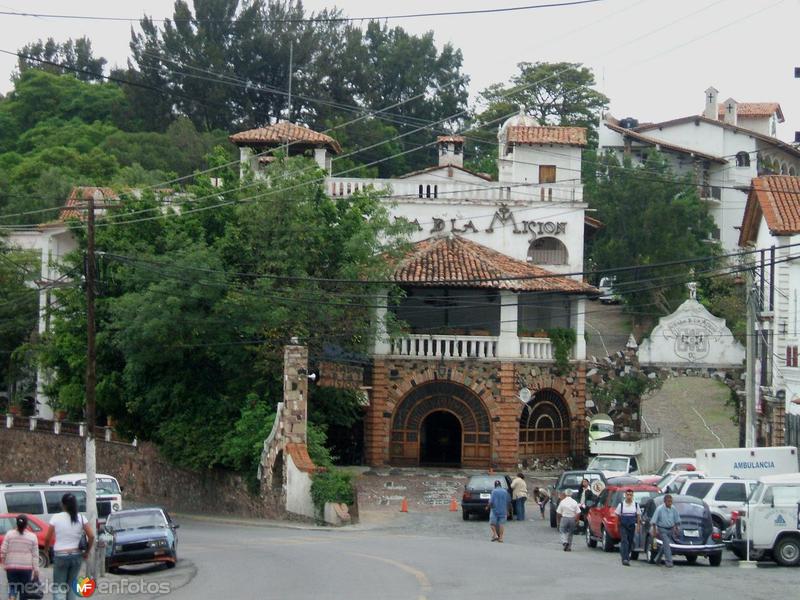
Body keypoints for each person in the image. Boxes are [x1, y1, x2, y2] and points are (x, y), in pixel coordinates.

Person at [44, 493, 94, 600]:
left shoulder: (56, 517)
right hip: (76, 555)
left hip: (60, 555)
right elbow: (92, 536)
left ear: (63, 504)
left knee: (59, 586)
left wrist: (46, 551)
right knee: (71, 585)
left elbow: (47, 538)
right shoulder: (81, 518)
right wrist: (87, 552)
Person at [0, 514, 38, 600]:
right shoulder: (33, 537)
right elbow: (35, 555)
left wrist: (4, 562)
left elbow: (3, 550)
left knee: (12, 587)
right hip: (26, 568)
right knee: (24, 591)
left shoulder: (9, 534)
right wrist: (36, 570)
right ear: (26, 524)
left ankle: (12, 597)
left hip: (11, 567)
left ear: (16, 523)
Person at [650, 494, 682, 568]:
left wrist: (676, 529)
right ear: (665, 501)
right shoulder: (659, 509)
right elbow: (654, 521)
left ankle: (657, 559)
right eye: (668, 501)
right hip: (662, 529)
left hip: (670, 529)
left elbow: (677, 519)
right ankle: (669, 562)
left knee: (665, 545)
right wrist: (654, 531)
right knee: (667, 544)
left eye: (671, 501)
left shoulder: (673, 509)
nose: (670, 503)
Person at [614, 489, 641, 566]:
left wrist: (638, 526)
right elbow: (617, 516)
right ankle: (625, 559)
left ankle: (624, 552)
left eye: (630, 495)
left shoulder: (636, 505)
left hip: (632, 526)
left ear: (632, 496)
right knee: (624, 541)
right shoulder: (621, 505)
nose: (629, 496)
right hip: (623, 526)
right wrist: (616, 526)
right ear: (625, 495)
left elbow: (638, 516)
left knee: (630, 542)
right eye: (628, 494)